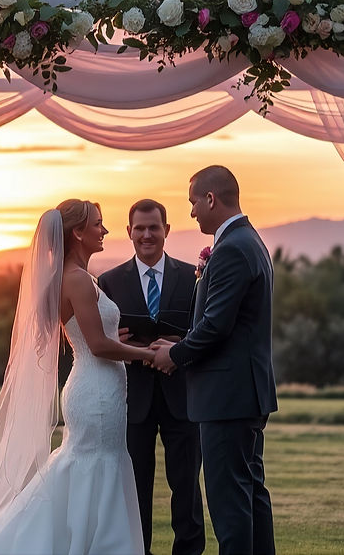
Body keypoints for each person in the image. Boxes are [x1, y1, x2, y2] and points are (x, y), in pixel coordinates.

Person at [0, 199, 157, 555]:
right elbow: (99, 346)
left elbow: (89, 336)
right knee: (96, 466)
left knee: (88, 466)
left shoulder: (73, 279)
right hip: (97, 392)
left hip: (96, 390)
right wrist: (149, 355)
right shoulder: (77, 281)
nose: (105, 230)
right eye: (98, 224)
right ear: (78, 233)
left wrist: (121, 343)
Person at [151, 166, 278, 555]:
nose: (191, 213)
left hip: (228, 397)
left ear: (210, 199)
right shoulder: (248, 241)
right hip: (243, 394)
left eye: (193, 202)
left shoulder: (232, 249)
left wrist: (174, 354)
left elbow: (215, 327)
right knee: (251, 493)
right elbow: (226, 324)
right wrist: (179, 340)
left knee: (229, 505)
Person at [98, 199, 205, 555]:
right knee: (135, 489)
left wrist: (180, 345)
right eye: (139, 228)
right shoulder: (109, 282)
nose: (147, 235)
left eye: (153, 227)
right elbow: (99, 340)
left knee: (187, 488)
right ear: (129, 232)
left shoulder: (193, 278)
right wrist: (115, 341)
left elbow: (205, 332)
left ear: (167, 230)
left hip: (183, 398)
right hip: (133, 401)